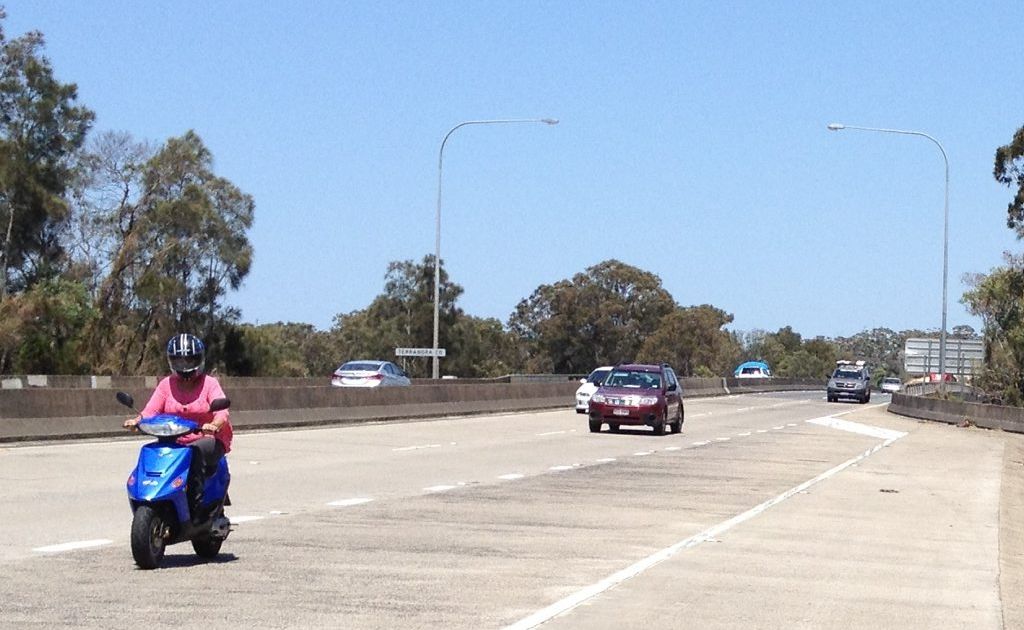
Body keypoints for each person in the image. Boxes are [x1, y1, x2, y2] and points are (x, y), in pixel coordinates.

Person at [124, 333, 233, 523]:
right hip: (175, 439)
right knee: (154, 451)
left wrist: (214, 425)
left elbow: (222, 411)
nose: (184, 365)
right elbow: (151, 410)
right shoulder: (166, 385)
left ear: (199, 359)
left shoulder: (210, 384)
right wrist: (137, 420)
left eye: (189, 359)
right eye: (179, 360)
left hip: (207, 438)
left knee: (196, 453)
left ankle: (196, 509)